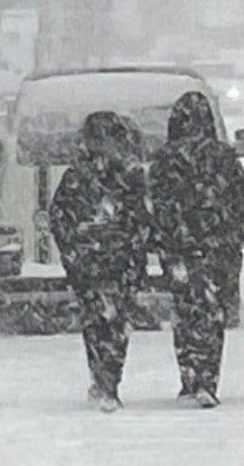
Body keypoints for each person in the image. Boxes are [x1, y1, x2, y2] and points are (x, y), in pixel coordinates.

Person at [149, 91, 244, 409]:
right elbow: (241, 203)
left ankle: (189, 375)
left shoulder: (164, 159)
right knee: (212, 314)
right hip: (220, 247)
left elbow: (154, 206)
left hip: (178, 249)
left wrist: (156, 241)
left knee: (185, 311)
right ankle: (207, 377)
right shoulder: (223, 157)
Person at [49, 111, 150, 413]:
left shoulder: (76, 175)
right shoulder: (128, 175)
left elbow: (58, 216)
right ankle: (109, 379)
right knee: (116, 324)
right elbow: (143, 217)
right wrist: (135, 247)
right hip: (120, 263)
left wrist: (72, 250)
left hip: (89, 263)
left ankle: (102, 378)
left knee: (95, 322)